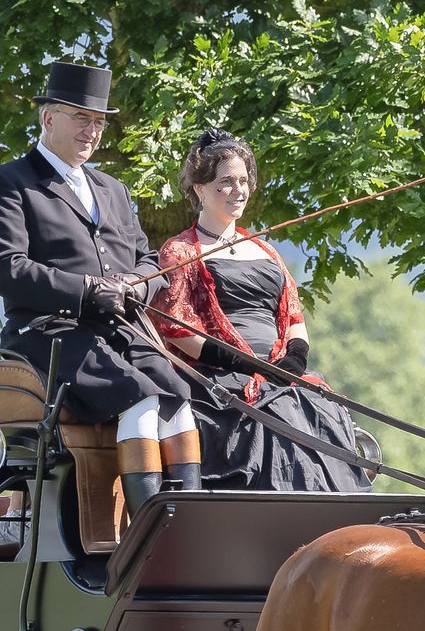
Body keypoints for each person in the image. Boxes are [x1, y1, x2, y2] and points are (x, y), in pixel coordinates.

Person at [0, 61, 202, 512]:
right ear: (48, 118)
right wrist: (85, 289)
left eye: (98, 122)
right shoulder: (10, 183)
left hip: (121, 330)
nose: (92, 130)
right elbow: (7, 269)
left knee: (179, 402)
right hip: (49, 333)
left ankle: (189, 526)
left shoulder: (113, 190)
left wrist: (137, 286)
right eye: (81, 118)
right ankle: (147, 535)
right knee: (140, 397)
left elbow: (144, 258)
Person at [150, 129, 371, 492]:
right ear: (199, 189)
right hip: (219, 377)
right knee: (277, 419)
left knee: (320, 411)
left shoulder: (265, 251)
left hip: (281, 373)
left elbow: (294, 316)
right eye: (225, 182)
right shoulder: (179, 251)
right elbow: (177, 330)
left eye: (243, 180)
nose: (238, 190)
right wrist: (247, 365)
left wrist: (294, 362)